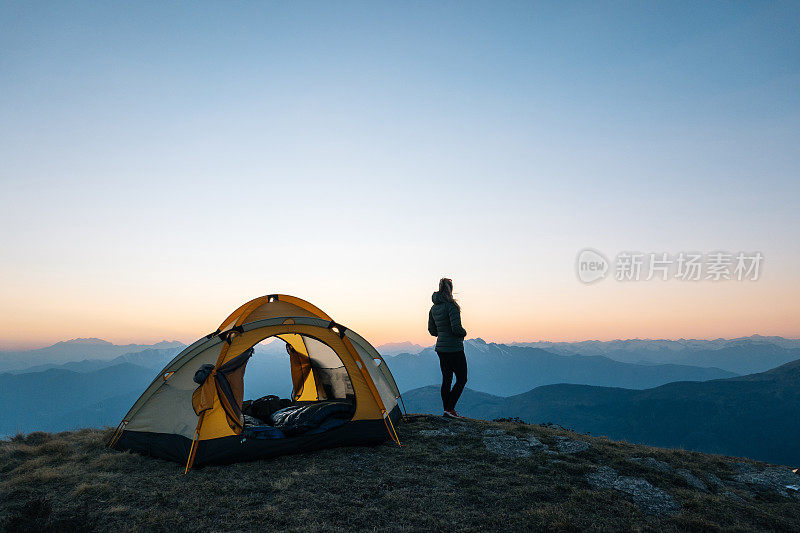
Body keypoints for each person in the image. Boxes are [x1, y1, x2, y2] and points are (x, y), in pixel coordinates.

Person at [428, 277, 468, 418]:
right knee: (462, 379)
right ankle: (450, 408)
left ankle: (447, 409)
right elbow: (456, 329)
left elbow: (432, 331)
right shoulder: (452, 306)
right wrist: (464, 333)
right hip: (455, 348)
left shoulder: (433, 308)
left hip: (441, 349)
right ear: (450, 289)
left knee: (447, 379)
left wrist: (443, 333)